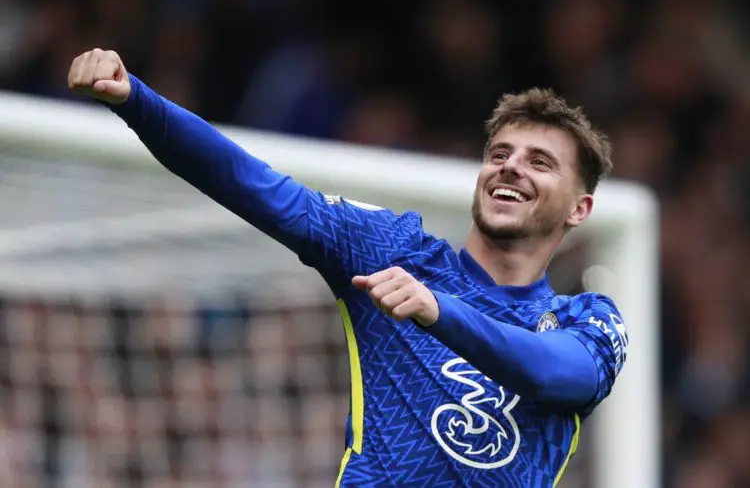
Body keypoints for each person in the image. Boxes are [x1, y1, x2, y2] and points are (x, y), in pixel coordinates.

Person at [67, 48, 629, 487]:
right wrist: (137, 100)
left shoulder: (587, 319)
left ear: (579, 209)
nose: (510, 168)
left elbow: (554, 375)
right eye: (499, 154)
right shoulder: (394, 251)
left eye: (540, 162)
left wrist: (439, 311)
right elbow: (252, 183)